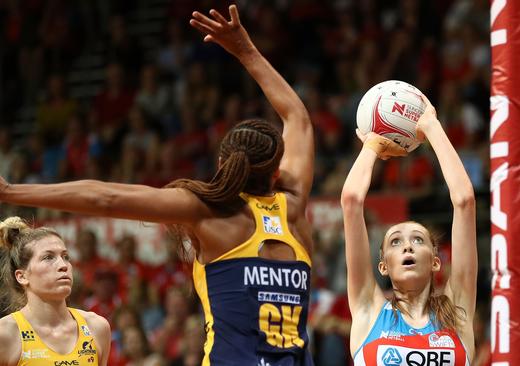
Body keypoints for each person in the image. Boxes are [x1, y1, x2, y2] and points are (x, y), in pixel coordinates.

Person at [0, 4, 315, 365]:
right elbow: (297, 116)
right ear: (276, 172)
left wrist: (11, 192)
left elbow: (105, 198)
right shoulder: (293, 208)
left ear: (222, 165)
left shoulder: (208, 212)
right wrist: (246, 49)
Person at [340, 98, 476, 365]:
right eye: (395, 242)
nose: (407, 246)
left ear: (435, 262)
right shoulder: (369, 310)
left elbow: (464, 202)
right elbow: (351, 202)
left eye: (418, 239)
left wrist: (432, 128)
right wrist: (372, 145)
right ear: (383, 267)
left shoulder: (457, 310)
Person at [0, 217, 111, 366]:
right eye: (48, 257)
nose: (63, 265)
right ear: (22, 276)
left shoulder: (97, 327)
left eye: (66, 257)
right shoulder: (5, 334)